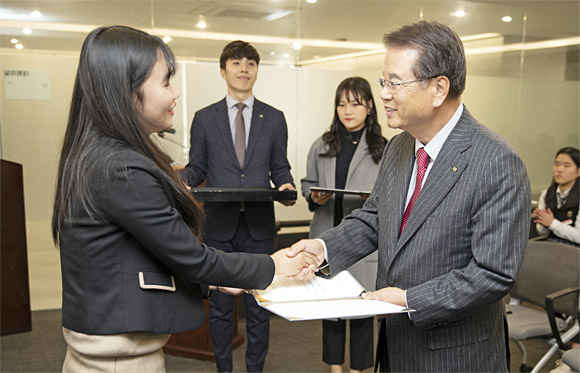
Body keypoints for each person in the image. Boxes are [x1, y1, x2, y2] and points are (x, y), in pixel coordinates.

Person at [52, 26, 316, 372]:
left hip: (116, 346)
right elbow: (191, 257)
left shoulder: (102, 156)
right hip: (119, 355)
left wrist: (217, 275)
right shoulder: (122, 168)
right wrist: (275, 266)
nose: (175, 93)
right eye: (165, 82)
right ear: (127, 92)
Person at [289, 20, 531, 372]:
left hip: (455, 356)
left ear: (438, 88)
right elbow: (375, 217)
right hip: (396, 347)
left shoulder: (496, 162)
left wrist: (408, 300)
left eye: (395, 83)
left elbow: (492, 274)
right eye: (383, 81)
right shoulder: (400, 146)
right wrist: (324, 248)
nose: (384, 93)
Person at [181, 40, 296, 373]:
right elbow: (197, 168)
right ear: (223, 71)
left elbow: (280, 167)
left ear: (257, 71)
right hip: (218, 225)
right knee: (219, 308)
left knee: (260, 307)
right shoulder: (204, 118)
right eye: (236, 63)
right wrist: (179, 183)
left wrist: (286, 184)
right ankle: (224, 370)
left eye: (250, 63)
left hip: (259, 227)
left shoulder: (274, 118)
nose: (244, 69)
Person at [301, 77, 387, 373]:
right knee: (331, 308)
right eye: (341, 103)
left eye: (355, 103)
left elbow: (391, 196)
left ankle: (359, 369)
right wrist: (315, 195)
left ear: (370, 106)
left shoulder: (383, 148)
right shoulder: (323, 144)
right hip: (327, 236)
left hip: (364, 243)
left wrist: (371, 198)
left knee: (363, 310)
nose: (347, 110)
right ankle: (335, 368)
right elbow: (308, 184)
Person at [534, 147, 580, 247]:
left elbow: (579, 236)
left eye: (567, 166)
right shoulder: (547, 194)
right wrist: (543, 223)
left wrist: (552, 223)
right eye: (557, 164)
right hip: (551, 247)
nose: (559, 170)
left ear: (578, 172)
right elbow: (543, 234)